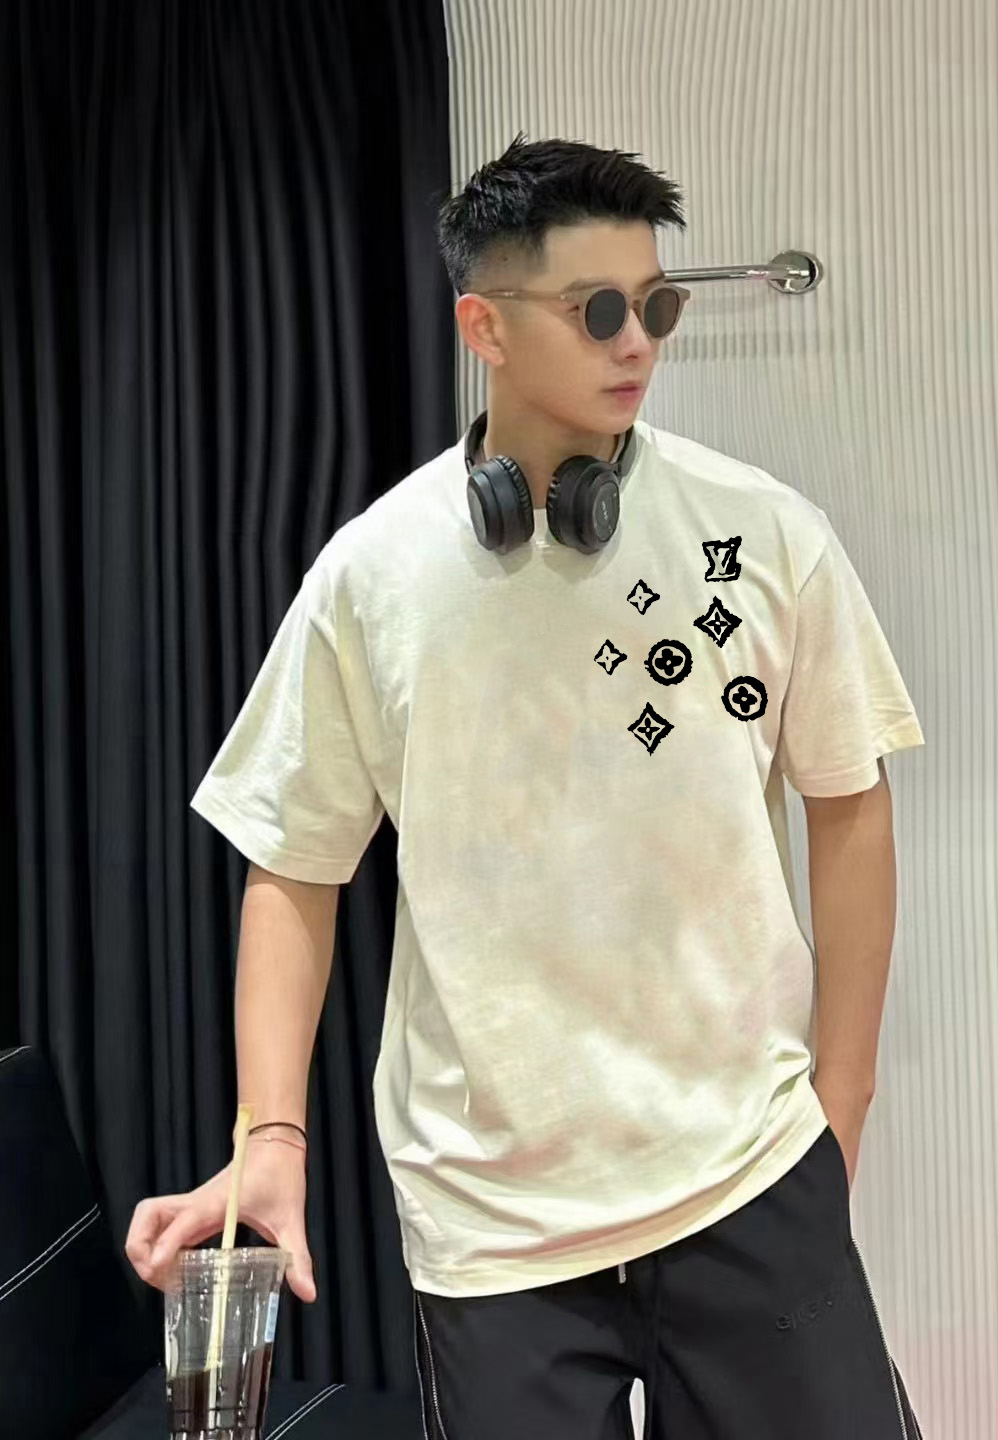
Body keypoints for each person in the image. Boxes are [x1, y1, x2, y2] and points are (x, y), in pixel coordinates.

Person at [126, 132, 926, 1439]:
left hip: (748, 1170)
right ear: (483, 327)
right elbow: (295, 865)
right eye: (598, 310)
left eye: (655, 306)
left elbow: (850, 803)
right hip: (492, 1226)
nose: (638, 342)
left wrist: (842, 1104)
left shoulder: (766, 534)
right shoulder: (372, 576)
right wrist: (272, 1136)